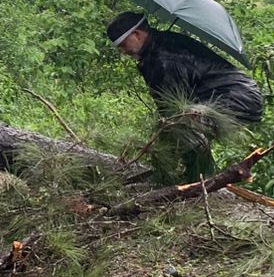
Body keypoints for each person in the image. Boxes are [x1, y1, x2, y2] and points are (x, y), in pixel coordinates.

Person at [106, 11, 264, 179]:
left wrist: (158, 149)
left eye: (123, 45)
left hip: (237, 95)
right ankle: (192, 178)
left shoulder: (165, 58)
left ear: (137, 34)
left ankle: (197, 181)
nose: (123, 51)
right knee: (183, 124)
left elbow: (173, 109)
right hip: (223, 94)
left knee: (184, 126)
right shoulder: (156, 48)